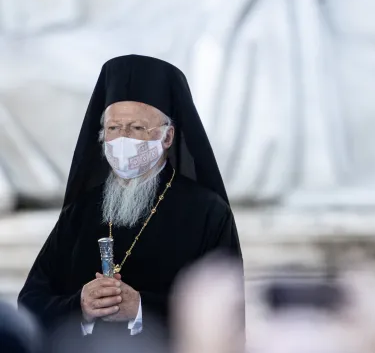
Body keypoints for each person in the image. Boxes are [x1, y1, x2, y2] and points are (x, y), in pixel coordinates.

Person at [18, 55, 243, 337]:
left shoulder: (209, 213)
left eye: (137, 128)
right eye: (113, 128)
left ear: (167, 137)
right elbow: (30, 301)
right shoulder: (82, 211)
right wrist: (80, 306)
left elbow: (224, 314)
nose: (123, 138)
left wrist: (140, 308)